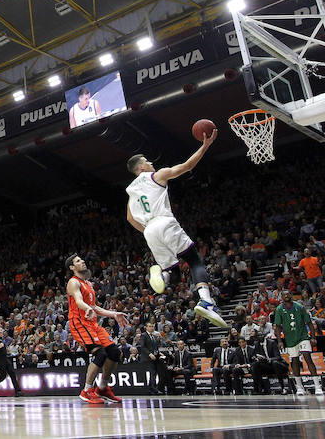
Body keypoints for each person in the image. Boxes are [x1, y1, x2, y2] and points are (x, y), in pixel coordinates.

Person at [125, 131, 228, 329]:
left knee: (175, 275)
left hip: (149, 230)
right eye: (147, 161)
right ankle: (206, 302)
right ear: (141, 167)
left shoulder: (131, 190)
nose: (151, 163)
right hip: (164, 221)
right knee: (194, 260)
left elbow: (130, 218)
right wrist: (206, 145)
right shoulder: (156, 175)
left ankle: (163, 274)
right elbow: (187, 166)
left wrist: (148, 229)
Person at [66, 254, 128, 404]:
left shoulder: (88, 283)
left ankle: (102, 388)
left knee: (114, 352)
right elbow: (79, 300)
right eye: (78, 261)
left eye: (82, 259)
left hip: (92, 323)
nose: (82, 261)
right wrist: (86, 308)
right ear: (72, 267)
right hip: (79, 322)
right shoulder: (73, 283)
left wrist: (113, 314)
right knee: (100, 353)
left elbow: (94, 307)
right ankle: (86, 390)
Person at [274, 293, 323, 395]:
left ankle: (318, 386)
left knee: (307, 357)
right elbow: (278, 326)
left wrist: (313, 337)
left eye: (288, 294)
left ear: (291, 296)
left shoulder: (299, 306)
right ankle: (300, 387)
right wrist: (279, 341)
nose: (287, 296)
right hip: (290, 339)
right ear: (281, 297)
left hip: (303, 336)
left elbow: (309, 322)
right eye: (284, 295)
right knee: (294, 360)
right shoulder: (279, 309)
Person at [0, 326, 21, 397]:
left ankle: (18, 391)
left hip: (5, 358)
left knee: (12, 374)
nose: (1, 332)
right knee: (3, 376)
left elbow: (3, 348)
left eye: (2, 330)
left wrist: (7, 351)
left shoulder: (2, 339)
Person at [136, 323, 166, 395]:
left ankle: (151, 389)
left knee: (154, 373)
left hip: (155, 357)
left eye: (152, 326)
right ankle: (154, 389)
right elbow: (142, 347)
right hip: (147, 358)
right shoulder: (144, 335)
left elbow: (155, 348)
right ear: (146, 327)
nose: (151, 328)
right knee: (152, 373)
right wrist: (149, 354)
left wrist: (159, 352)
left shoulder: (154, 336)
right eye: (150, 326)